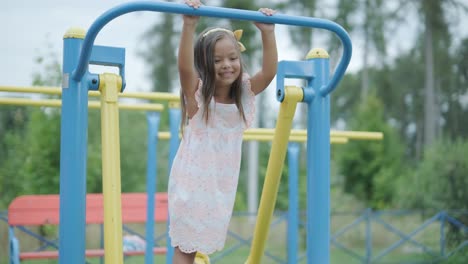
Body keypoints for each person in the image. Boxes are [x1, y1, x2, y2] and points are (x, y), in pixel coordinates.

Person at [168, 0, 277, 263]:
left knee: (199, 244)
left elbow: (269, 72)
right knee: (186, 248)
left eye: (232, 57)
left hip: (220, 187)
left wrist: (267, 32)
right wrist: (189, 25)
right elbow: (184, 68)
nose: (227, 64)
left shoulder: (243, 97)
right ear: (205, 64)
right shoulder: (199, 100)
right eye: (217, 60)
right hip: (192, 185)